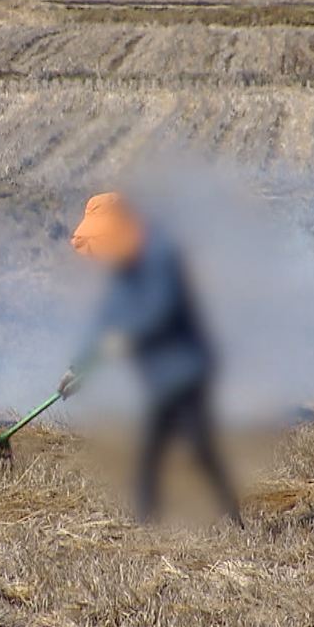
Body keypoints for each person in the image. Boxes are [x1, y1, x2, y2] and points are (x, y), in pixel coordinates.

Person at [57, 192, 243, 528]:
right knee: (170, 451)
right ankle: (164, 524)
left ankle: (216, 520)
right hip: (160, 376)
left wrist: (126, 339)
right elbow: (107, 319)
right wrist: (78, 366)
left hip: (185, 370)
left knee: (183, 449)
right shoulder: (124, 267)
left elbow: (162, 309)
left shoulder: (161, 255)